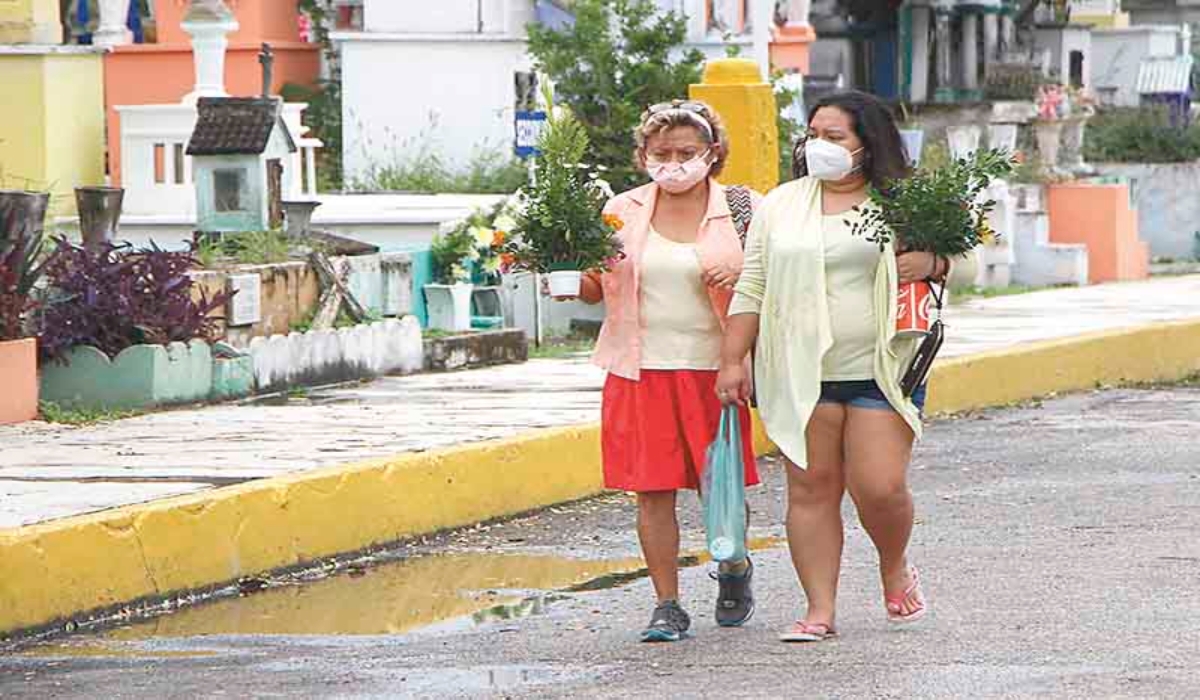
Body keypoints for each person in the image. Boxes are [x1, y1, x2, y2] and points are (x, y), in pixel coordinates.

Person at [715, 91, 950, 643]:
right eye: (814, 134)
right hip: (799, 369)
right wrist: (732, 360)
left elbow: (960, 256)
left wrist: (934, 261)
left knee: (880, 487)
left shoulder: (904, 202)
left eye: (835, 136)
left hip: (883, 368)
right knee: (811, 489)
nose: (820, 145)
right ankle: (819, 609)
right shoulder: (782, 204)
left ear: (868, 143)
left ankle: (893, 564)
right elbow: (753, 285)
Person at [578, 100, 761, 643]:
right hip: (638, 370)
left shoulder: (745, 208)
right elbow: (595, 288)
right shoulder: (621, 210)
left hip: (716, 369)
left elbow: (777, 279)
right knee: (651, 491)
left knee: (719, 490)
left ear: (713, 153)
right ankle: (667, 603)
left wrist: (739, 353)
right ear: (642, 156)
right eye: (662, 153)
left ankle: (733, 569)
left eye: (687, 152)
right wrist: (558, 274)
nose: (674, 162)